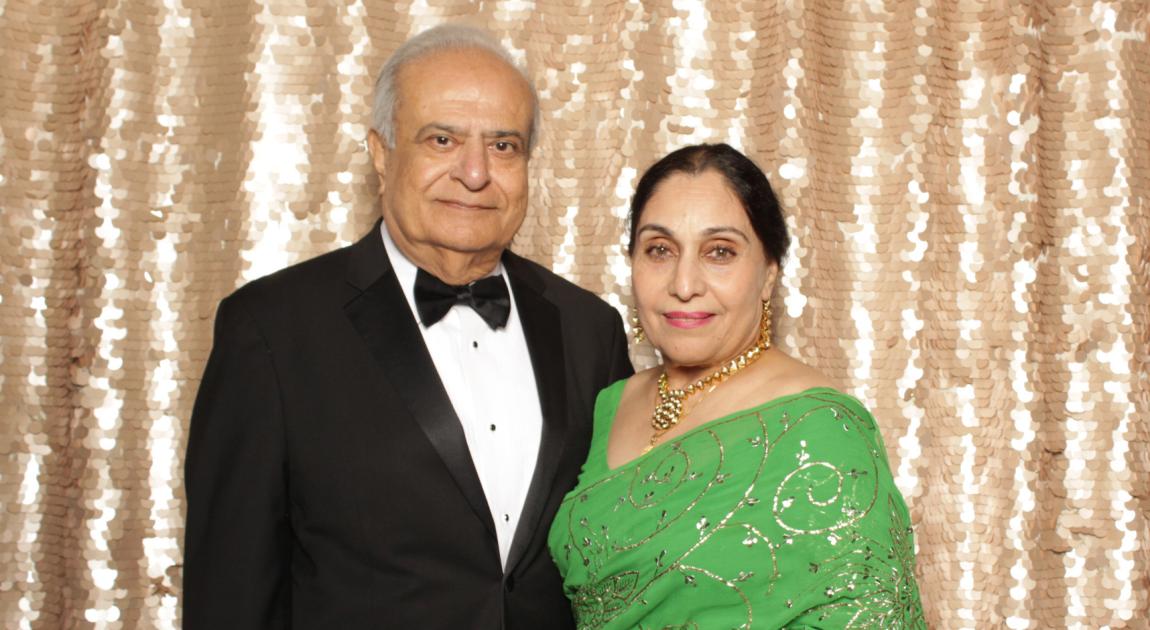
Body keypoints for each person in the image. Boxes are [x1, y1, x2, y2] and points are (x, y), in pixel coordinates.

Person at [183, 25, 632, 628]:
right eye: (442, 139)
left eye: (504, 146)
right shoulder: (271, 330)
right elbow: (231, 595)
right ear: (381, 151)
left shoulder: (589, 329)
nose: (475, 173)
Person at [547, 144, 925, 628]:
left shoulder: (822, 429)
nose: (684, 283)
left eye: (719, 252)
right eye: (659, 250)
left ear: (768, 275)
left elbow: (874, 616)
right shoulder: (610, 403)